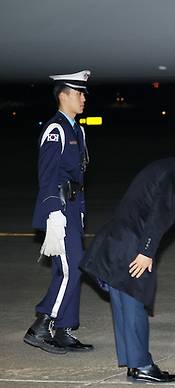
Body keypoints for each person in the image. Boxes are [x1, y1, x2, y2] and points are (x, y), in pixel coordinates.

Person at [79, 145, 175, 383]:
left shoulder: (166, 165)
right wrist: (146, 251)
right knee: (135, 300)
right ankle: (142, 366)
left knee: (123, 301)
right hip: (133, 243)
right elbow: (158, 215)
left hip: (118, 238)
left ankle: (133, 362)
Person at [24, 70, 95, 354]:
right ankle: (42, 325)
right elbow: (48, 174)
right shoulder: (56, 130)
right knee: (71, 269)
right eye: (78, 93)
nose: (83, 99)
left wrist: (78, 212)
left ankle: (64, 330)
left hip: (73, 207)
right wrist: (53, 212)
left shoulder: (77, 129)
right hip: (61, 209)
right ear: (63, 95)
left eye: (83, 94)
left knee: (69, 268)